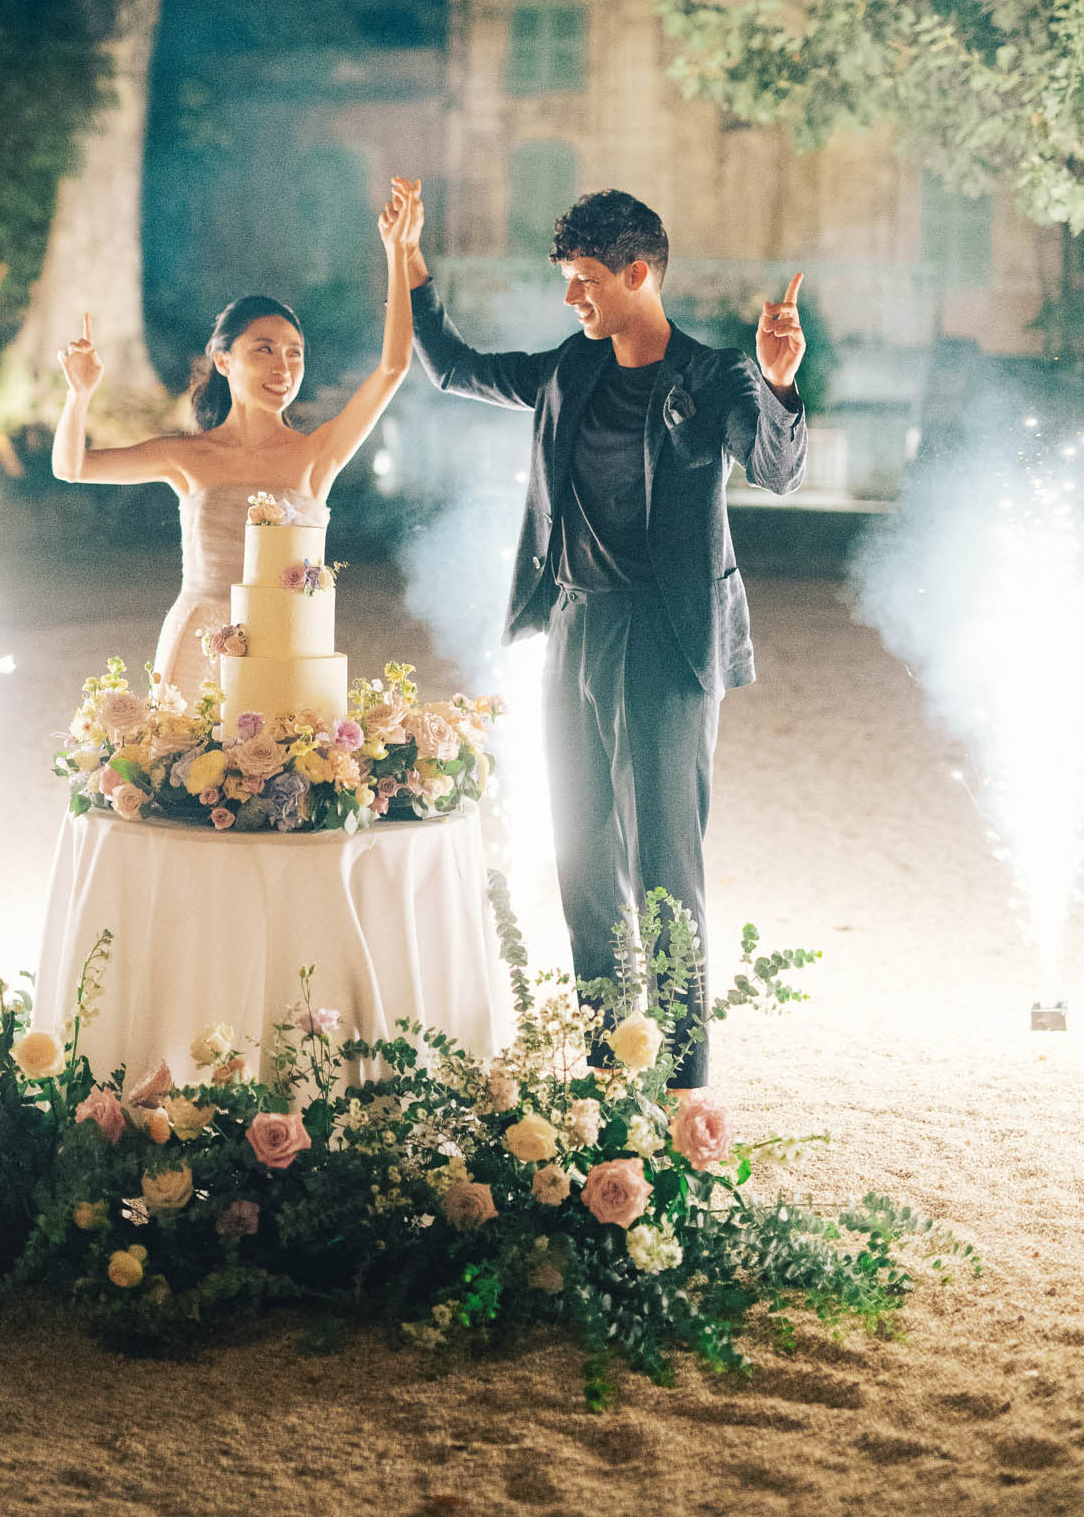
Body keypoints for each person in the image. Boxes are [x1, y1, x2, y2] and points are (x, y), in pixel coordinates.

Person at [393, 180, 807, 1085]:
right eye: (568, 280)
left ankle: (684, 1079)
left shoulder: (713, 375)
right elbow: (452, 367)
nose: (572, 297)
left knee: (665, 862)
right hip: (574, 625)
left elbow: (776, 470)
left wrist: (776, 382)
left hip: (668, 641)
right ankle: (604, 1063)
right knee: (580, 851)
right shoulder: (567, 371)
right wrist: (409, 261)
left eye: (584, 279)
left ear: (639, 272)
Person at [52, 183, 419, 706]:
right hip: (198, 646)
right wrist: (79, 394)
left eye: (294, 353)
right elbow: (73, 468)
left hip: (289, 650)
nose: (282, 367)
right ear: (224, 361)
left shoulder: (316, 456)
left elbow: (393, 367)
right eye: (264, 350)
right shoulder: (188, 457)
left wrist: (398, 252)